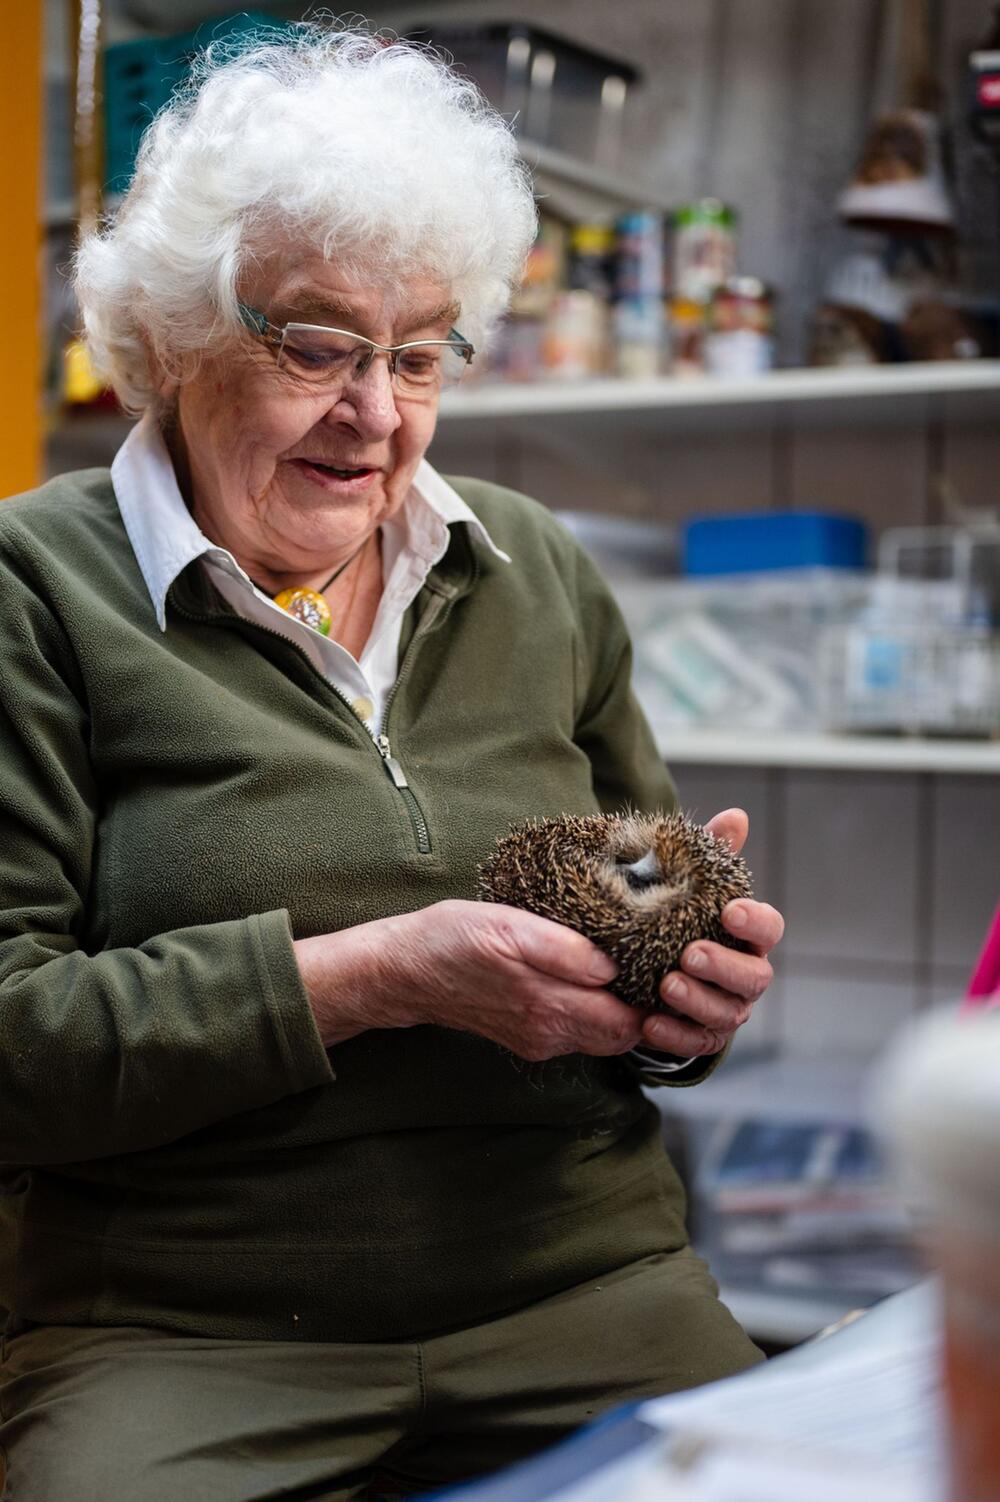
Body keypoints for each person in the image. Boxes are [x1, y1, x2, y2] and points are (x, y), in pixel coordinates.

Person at [0, 25, 784, 1502]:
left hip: (583, 1286)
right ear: (172, 336)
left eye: (420, 354)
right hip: (187, 1330)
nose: (378, 417)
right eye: (316, 346)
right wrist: (376, 975)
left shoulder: (531, 566)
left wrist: (692, 992)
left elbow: (646, 917)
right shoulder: (34, 590)